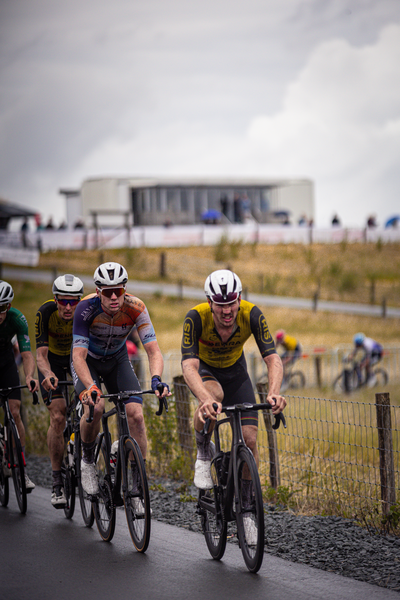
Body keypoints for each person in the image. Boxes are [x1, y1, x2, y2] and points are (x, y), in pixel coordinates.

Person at [72, 262, 171, 502]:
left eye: (119, 290)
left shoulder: (136, 308)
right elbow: (78, 356)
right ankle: (87, 461)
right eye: (108, 292)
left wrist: (157, 379)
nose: (114, 296)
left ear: (125, 289)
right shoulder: (85, 309)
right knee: (95, 407)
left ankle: (136, 486)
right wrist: (91, 387)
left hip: (117, 360)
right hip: (90, 363)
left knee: (136, 414)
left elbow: (153, 351)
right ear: (98, 292)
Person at [181, 269, 286, 495]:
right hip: (206, 371)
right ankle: (202, 453)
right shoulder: (196, 317)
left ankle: (247, 503)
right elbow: (188, 366)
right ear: (209, 302)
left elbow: (273, 358)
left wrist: (274, 392)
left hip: (236, 373)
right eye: (220, 304)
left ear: (239, 298)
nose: (227, 310)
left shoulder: (252, 314)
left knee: (249, 440)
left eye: (231, 302)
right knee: (214, 395)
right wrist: (204, 399)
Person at [35, 274, 84, 507]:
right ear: (55, 299)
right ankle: (56, 481)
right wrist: (47, 374)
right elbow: (40, 355)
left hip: (76, 359)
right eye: (63, 301)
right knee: (58, 415)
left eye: (73, 301)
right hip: (52, 362)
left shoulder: (84, 312)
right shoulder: (45, 313)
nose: (68, 306)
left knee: (89, 406)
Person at [0, 281, 39, 491]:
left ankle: (21, 470)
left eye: (1, 308)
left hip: (5, 363)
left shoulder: (17, 319)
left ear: (8, 306)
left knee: (15, 413)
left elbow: (26, 353)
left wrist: (30, 376)